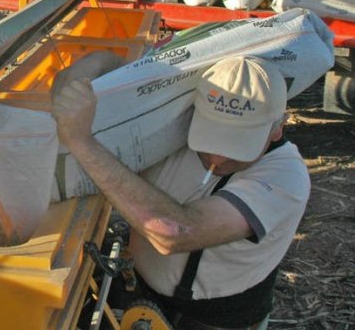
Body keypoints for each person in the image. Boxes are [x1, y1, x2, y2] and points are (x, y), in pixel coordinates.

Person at [51, 55, 309, 330]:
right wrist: (81, 78)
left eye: (237, 145)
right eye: (210, 136)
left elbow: (174, 232)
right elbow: (111, 66)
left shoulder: (285, 179)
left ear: (278, 127)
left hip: (211, 319)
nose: (217, 159)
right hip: (139, 290)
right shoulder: (175, 120)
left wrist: (81, 141)